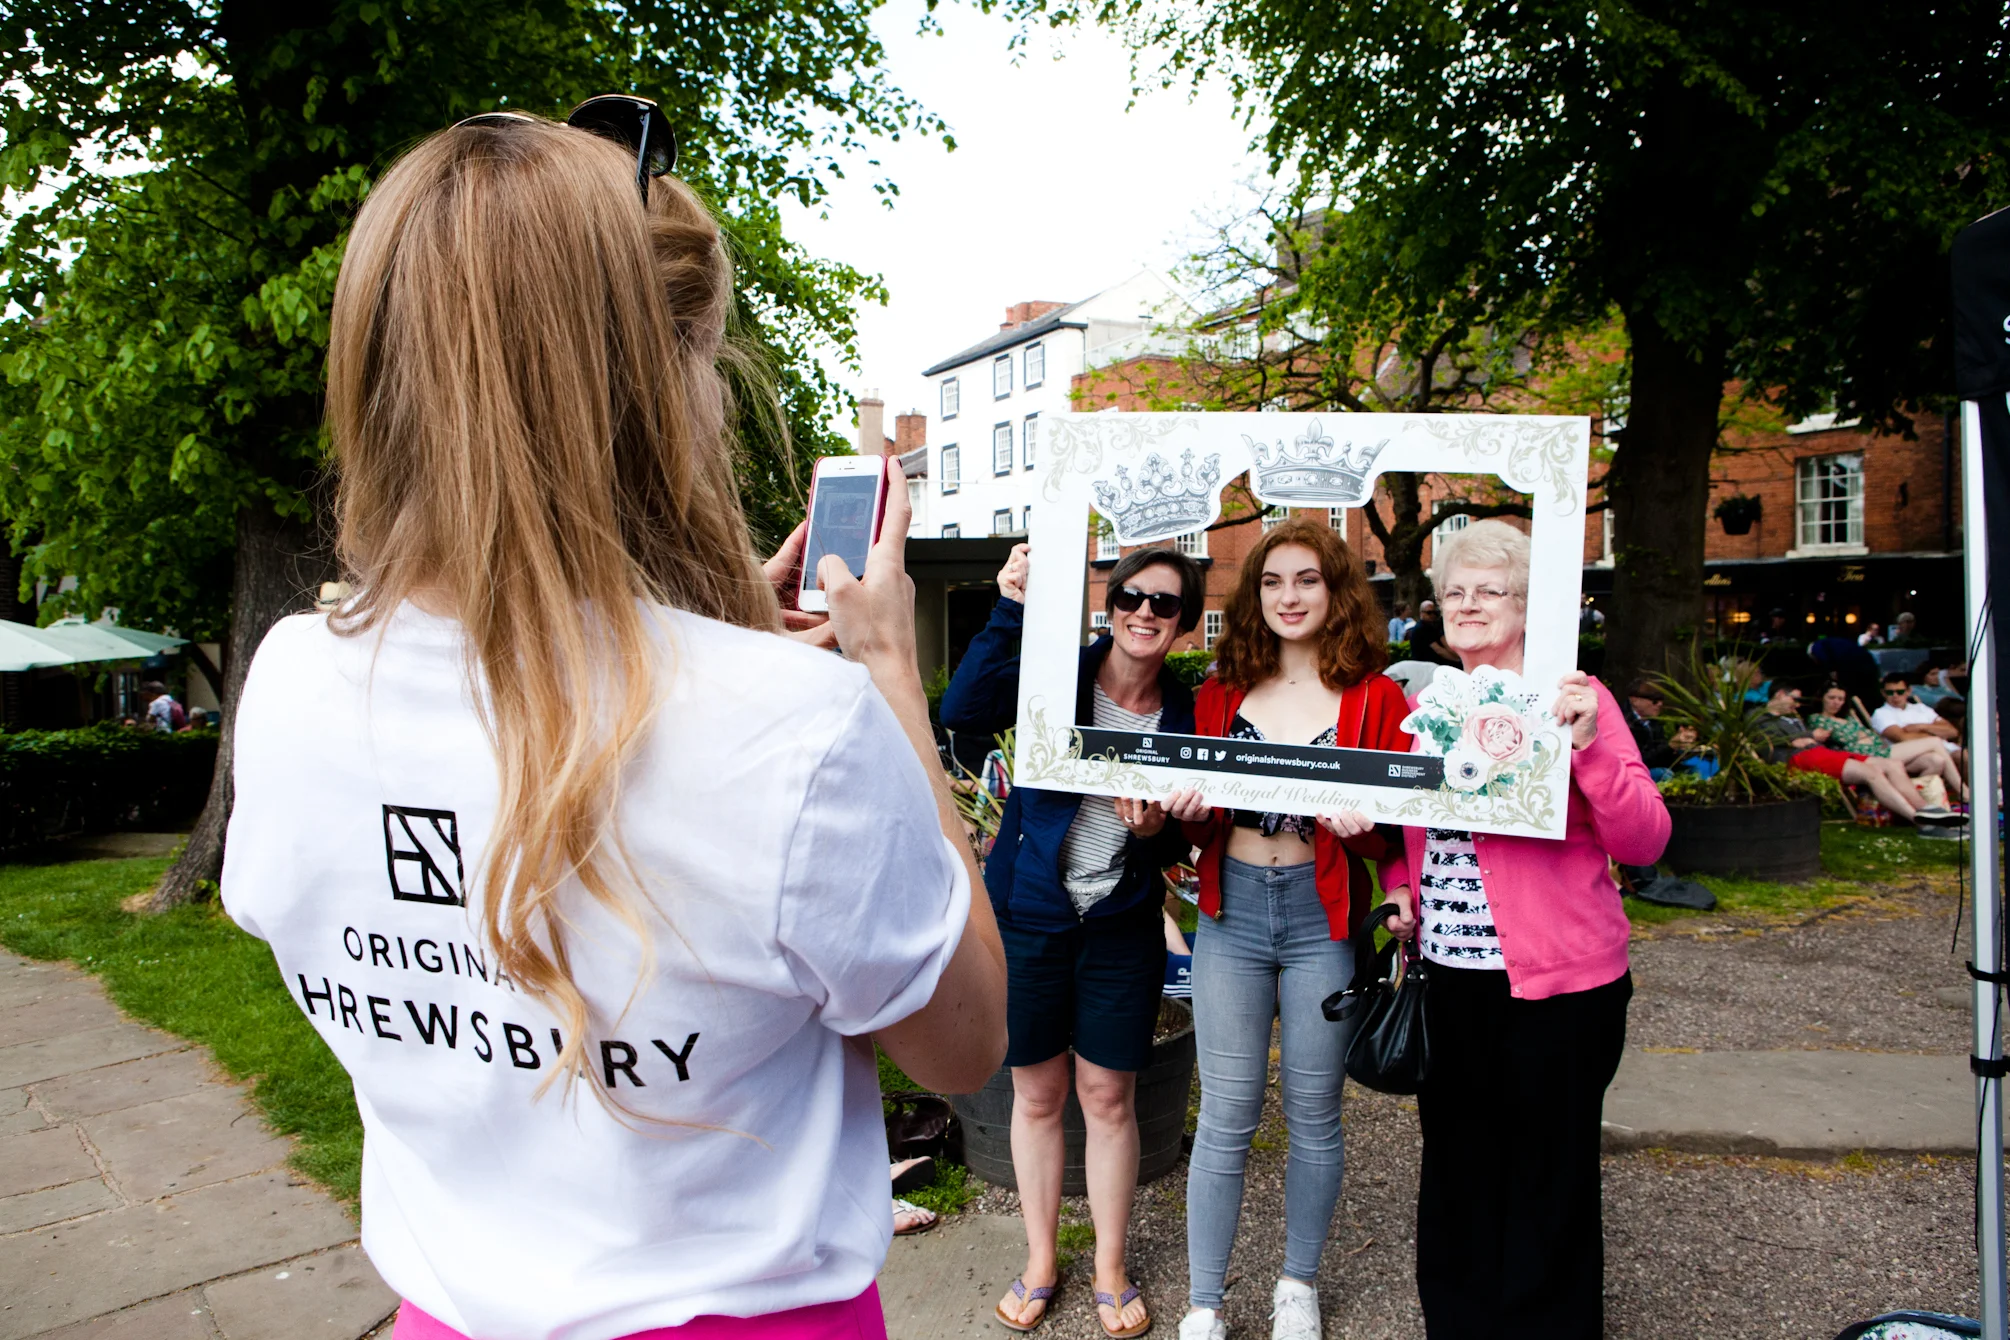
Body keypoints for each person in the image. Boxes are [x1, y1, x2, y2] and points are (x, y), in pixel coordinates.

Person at [218, 110, 1007, 1340]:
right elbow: (963, 1043)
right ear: (652, 379)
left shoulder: (288, 684)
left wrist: (704, 631)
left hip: (448, 1310)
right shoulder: (802, 727)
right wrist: (890, 675)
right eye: (707, 354)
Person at [1372, 519, 1669, 1338]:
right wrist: (1401, 886)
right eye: (1455, 592)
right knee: (1458, 1171)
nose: (1468, 605)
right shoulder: (1425, 704)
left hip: (1563, 988)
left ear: (1527, 606)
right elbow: (1411, 834)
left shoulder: (1572, 697)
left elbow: (1646, 839)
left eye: (1490, 591)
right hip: (1450, 978)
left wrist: (1587, 751)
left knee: (1549, 1176)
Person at [941, 541, 1206, 1340]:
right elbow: (961, 711)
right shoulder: (1058, 675)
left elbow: (1179, 845)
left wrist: (1159, 829)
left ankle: (1112, 1266)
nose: (1145, 614)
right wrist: (1012, 606)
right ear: (1111, 602)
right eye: (1131, 597)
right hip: (1031, 916)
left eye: (1164, 603)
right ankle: (1042, 1259)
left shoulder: (1186, 712)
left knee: (1109, 1095)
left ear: (1184, 622)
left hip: (1121, 926)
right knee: (1037, 1094)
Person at [1159, 519, 1410, 1340]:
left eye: (1306, 580)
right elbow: (1196, 827)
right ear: (1253, 594)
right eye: (1272, 582)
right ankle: (1205, 1301)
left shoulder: (1377, 696)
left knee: (1313, 1112)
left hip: (1320, 917)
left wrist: (1359, 829)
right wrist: (1189, 817)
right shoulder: (1220, 691)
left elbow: (1394, 836)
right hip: (1231, 914)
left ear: (1336, 591)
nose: (1289, 597)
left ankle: (1296, 1283)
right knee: (1227, 1110)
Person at [1759, 681, 1960, 826]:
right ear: (1779, 695)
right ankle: (1920, 820)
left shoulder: (1792, 719)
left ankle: (1928, 811)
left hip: (1821, 752)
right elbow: (1765, 744)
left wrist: (1809, 736)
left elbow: (1810, 736)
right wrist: (1798, 740)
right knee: (1872, 772)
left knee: (1894, 765)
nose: (1798, 704)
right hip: (1801, 757)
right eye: (1795, 699)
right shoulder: (1760, 718)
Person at [1808, 685, 1967, 802]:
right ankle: (1963, 791)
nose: (1836, 702)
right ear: (1822, 698)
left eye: (1840, 699)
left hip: (1880, 750)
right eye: (1831, 698)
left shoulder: (1847, 718)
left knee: (1935, 760)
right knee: (1934, 741)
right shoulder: (1817, 718)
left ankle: (1918, 801)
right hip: (1867, 755)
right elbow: (1836, 738)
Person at [1872, 671, 1965, 770]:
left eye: (1900, 692)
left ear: (1908, 691)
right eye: (1890, 692)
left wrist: (1921, 727)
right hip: (1914, 754)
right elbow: (1903, 738)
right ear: (1883, 693)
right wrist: (1935, 734)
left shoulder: (1921, 708)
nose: (1895, 696)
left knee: (1964, 757)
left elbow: (1952, 732)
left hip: (1944, 748)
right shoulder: (1882, 713)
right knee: (1938, 759)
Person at [1407, 598, 1453, 666]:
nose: (1432, 615)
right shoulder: (1422, 628)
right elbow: (1439, 650)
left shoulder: (1431, 627)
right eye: (1429, 613)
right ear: (1421, 613)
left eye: (1434, 613)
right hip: (1424, 666)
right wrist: (1457, 659)